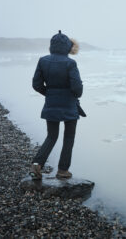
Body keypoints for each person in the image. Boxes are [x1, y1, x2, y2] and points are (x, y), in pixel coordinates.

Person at [29, 30, 83, 180]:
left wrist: (49, 93)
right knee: (69, 137)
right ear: (67, 47)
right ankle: (62, 170)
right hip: (69, 105)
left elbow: (36, 84)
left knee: (52, 136)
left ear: (52, 46)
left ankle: (37, 164)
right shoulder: (70, 63)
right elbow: (77, 88)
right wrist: (76, 95)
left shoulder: (43, 60)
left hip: (51, 103)